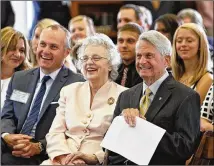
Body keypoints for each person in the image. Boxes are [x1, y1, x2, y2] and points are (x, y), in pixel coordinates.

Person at [106, 30, 201, 165]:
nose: (142, 61)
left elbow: (185, 147)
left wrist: (144, 129)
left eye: (149, 55)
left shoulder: (186, 97)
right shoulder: (126, 95)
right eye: (139, 56)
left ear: (166, 60)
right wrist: (122, 122)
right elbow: (108, 144)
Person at [1, 24, 85, 165]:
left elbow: (75, 131)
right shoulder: (19, 78)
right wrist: (7, 135)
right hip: (11, 149)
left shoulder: (77, 83)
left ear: (66, 53)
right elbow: (6, 115)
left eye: (53, 47)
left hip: (46, 155)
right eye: (43, 44)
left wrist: (39, 147)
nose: (45, 51)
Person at [41, 33, 127, 165]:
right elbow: (54, 133)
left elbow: (122, 142)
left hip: (98, 161)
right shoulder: (69, 91)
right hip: (63, 159)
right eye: (84, 58)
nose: (89, 63)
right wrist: (64, 158)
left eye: (96, 58)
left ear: (111, 64)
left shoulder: (125, 95)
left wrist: (95, 157)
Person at [171, 23, 213, 105]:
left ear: (201, 45)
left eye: (189, 41)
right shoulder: (173, 76)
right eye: (179, 41)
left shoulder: (207, 79)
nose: (183, 44)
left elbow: (189, 111)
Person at [1, 27, 31, 110]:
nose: (18, 54)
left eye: (21, 50)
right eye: (12, 49)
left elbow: (20, 114)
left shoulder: (27, 80)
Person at [115, 23, 143, 88]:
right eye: (121, 41)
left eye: (130, 41)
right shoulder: (113, 70)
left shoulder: (145, 72)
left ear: (141, 43)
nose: (124, 45)